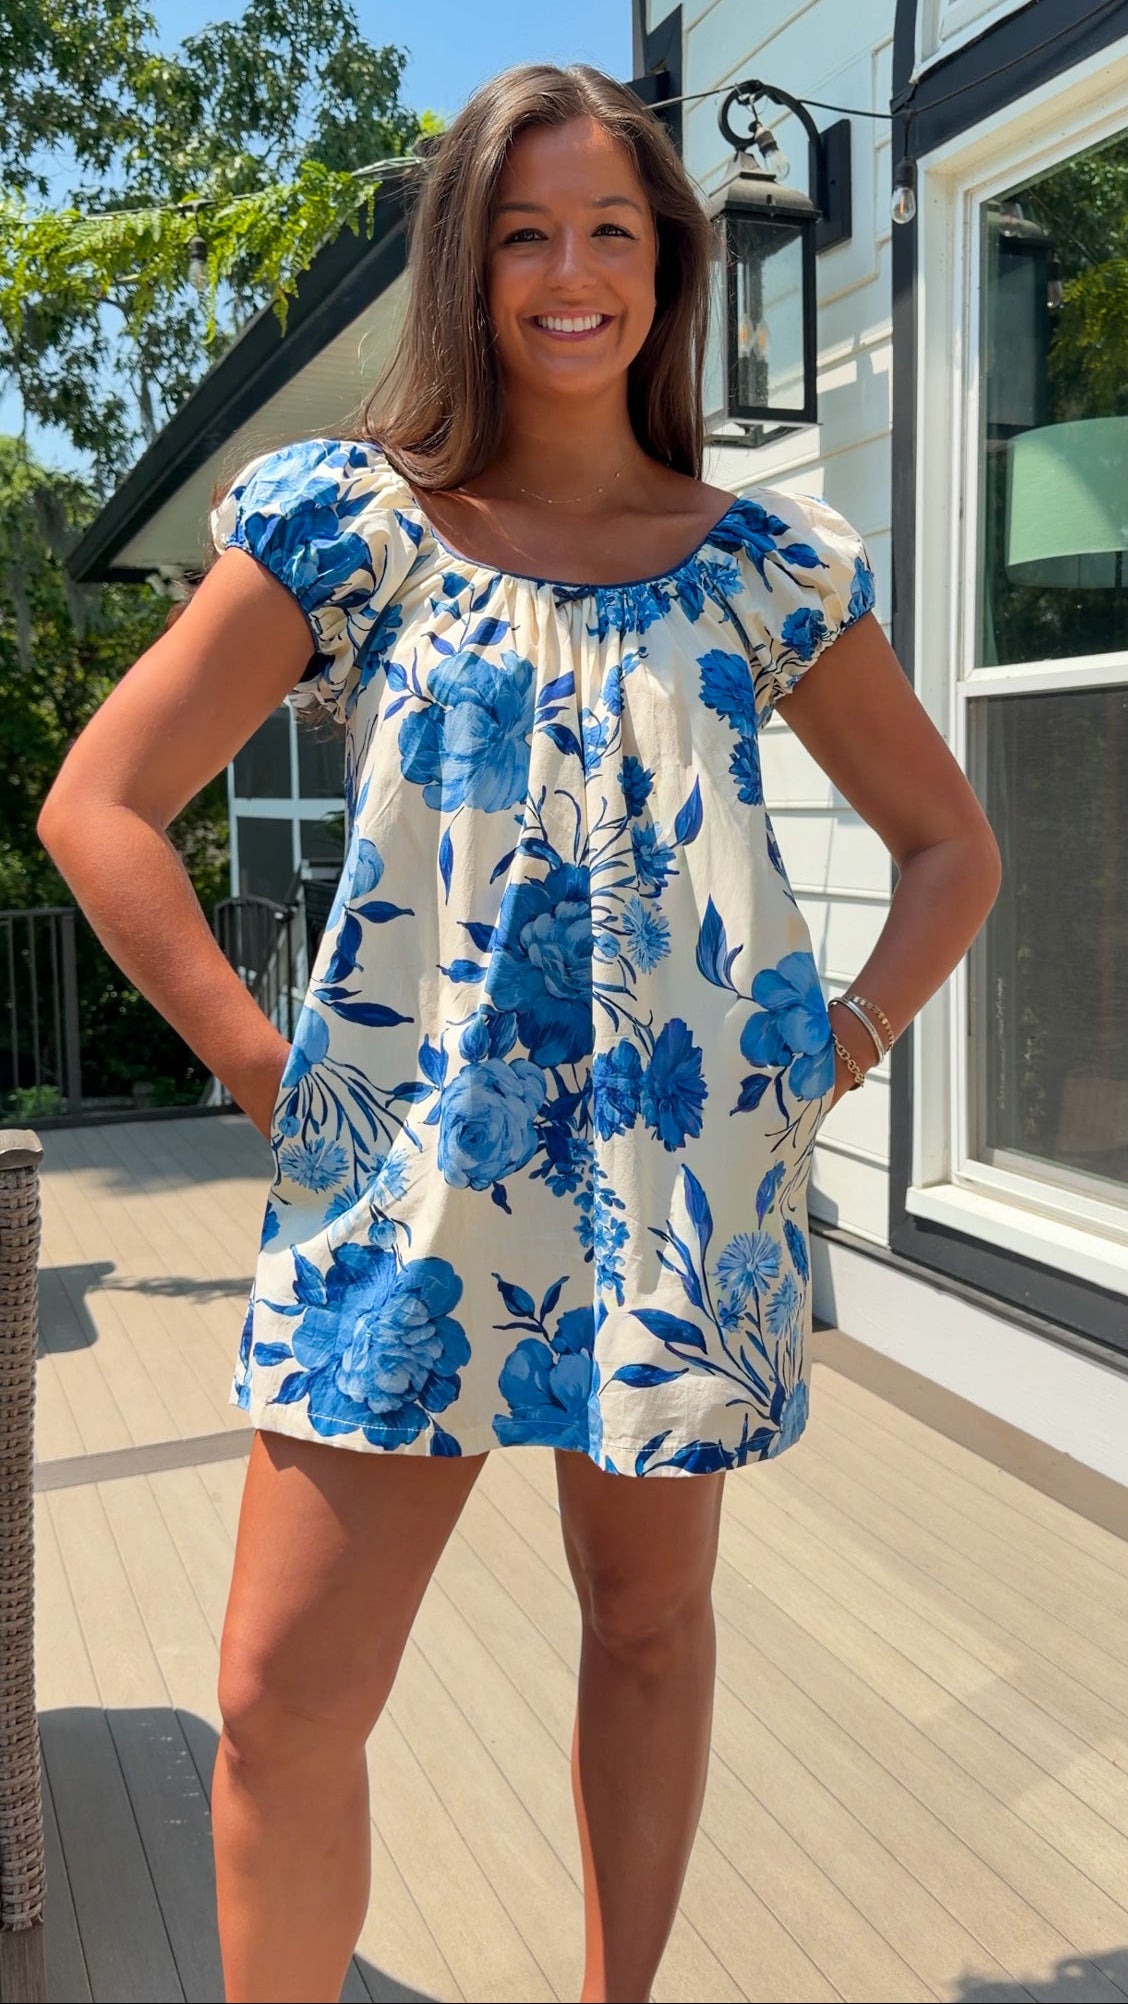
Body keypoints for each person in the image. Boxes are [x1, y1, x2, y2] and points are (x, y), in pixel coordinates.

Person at [39, 62, 1001, 2004]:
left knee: (649, 1634)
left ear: (669, 266)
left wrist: (840, 1047)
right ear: (466, 269)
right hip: (404, 1187)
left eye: (613, 232)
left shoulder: (766, 566)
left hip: (682, 1192)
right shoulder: (352, 525)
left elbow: (950, 846)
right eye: (524, 232)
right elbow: (100, 803)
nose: (571, 272)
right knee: (277, 1700)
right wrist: (256, 1064)